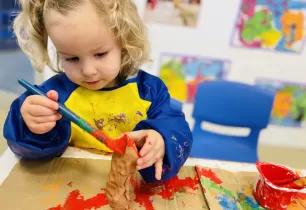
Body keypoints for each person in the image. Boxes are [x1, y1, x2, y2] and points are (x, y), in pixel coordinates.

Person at [3, 0, 193, 183]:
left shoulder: (150, 91)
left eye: (100, 54)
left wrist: (162, 141)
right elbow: (30, 150)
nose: (88, 70)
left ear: (124, 40)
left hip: (134, 189)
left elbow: (176, 128)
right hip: (71, 187)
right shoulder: (55, 95)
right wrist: (29, 123)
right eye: (71, 59)